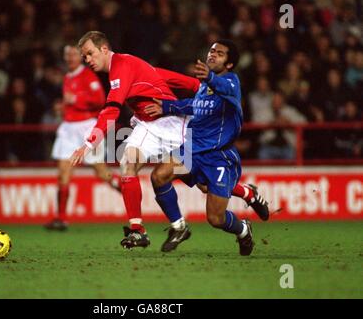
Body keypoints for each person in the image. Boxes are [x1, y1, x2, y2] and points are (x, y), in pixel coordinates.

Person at [71, 31, 268, 250]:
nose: (87, 60)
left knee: (204, 184)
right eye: (84, 56)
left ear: (104, 49)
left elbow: (112, 109)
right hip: (147, 124)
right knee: (129, 162)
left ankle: (246, 192)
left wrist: (88, 144)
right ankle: (141, 230)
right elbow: (160, 75)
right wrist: (197, 86)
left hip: (171, 123)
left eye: (90, 54)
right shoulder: (127, 66)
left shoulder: (121, 67)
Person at [145, 40, 256, 255]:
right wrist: (167, 106)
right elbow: (194, 105)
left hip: (218, 156)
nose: (213, 55)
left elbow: (223, 87)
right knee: (159, 176)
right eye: (212, 51)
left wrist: (211, 77)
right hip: (193, 150)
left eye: (220, 54)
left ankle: (243, 229)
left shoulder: (232, 83)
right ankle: (179, 226)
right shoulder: (205, 86)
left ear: (229, 64)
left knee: (215, 218)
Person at [45, 44, 121, 231]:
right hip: (68, 129)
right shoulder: (67, 77)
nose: (70, 57)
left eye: (73, 54)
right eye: (67, 54)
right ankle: (61, 219)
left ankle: (121, 185)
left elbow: (100, 99)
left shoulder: (88, 75)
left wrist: (76, 100)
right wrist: (63, 107)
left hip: (87, 127)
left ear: (80, 57)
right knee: (63, 174)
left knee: (102, 173)